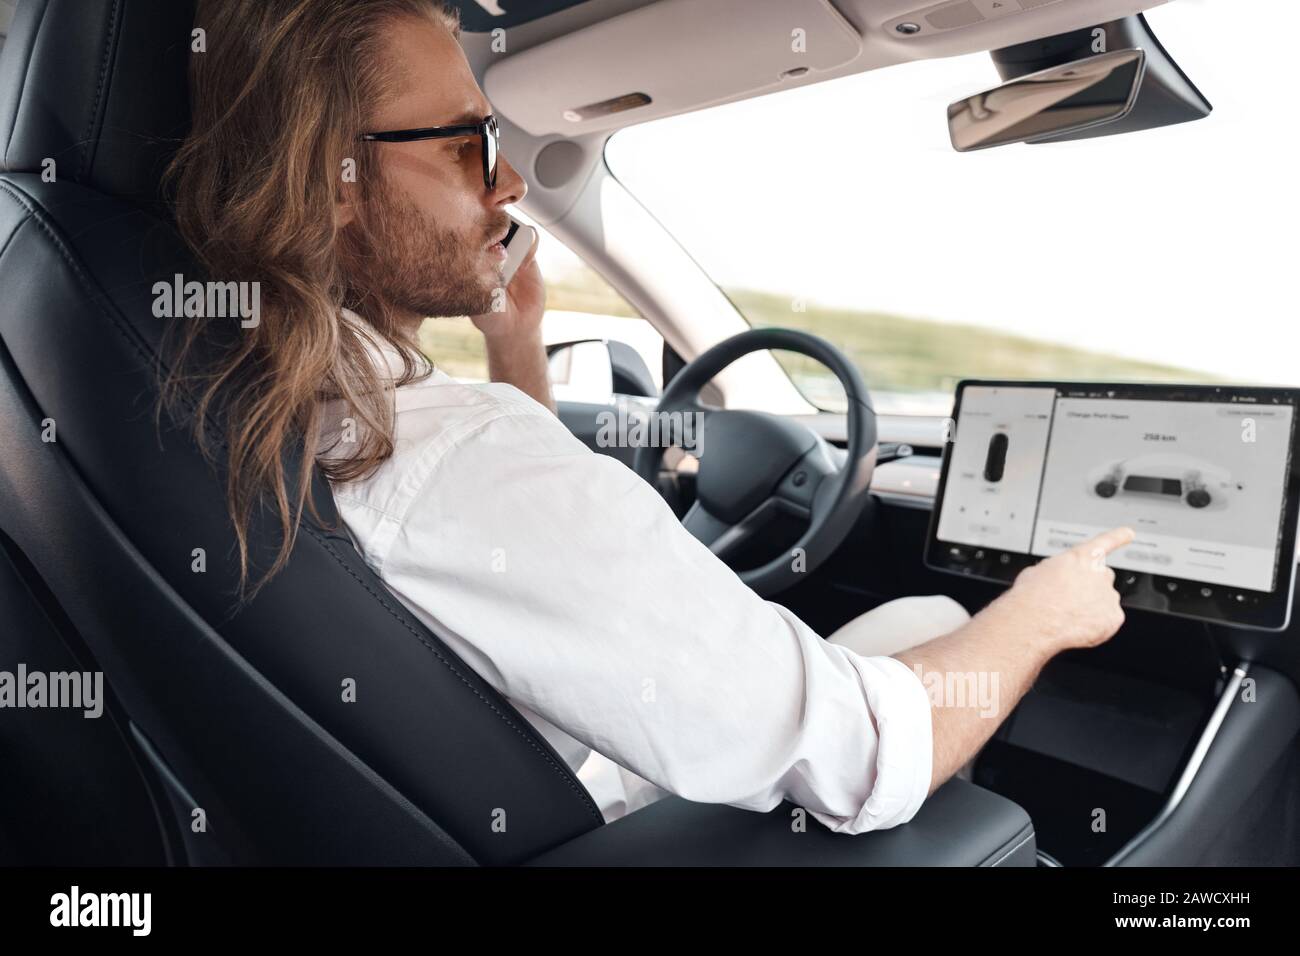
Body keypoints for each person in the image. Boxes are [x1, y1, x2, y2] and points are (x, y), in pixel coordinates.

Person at [160, 0, 1133, 834]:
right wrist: (1043, 611)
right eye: (468, 143)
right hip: (599, 820)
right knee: (944, 617)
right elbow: (860, 753)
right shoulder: (462, 456)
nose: (508, 184)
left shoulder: (227, 398)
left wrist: (515, 342)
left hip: (510, 789)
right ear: (328, 178)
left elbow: (501, 541)